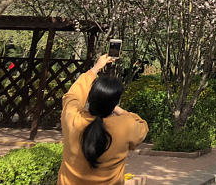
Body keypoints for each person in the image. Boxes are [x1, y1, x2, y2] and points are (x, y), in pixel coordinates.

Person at [57, 54, 148, 184]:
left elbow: (72, 96)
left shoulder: (73, 118)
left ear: (89, 97)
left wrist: (96, 68)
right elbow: (142, 125)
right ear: (115, 102)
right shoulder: (126, 126)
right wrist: (116, 108)